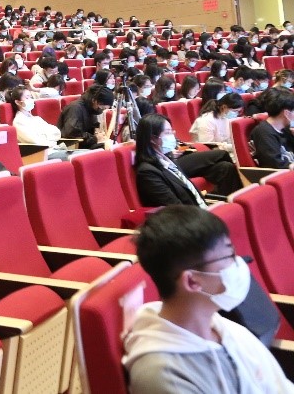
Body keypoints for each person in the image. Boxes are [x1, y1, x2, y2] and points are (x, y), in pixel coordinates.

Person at [124, 205, 293, 394]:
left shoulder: (224, 328)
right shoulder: (164, 376)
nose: (238, 265)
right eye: (229, 256)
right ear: (192, 281)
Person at [7, 85, 67, 159]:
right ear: (18, 102)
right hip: (42, 155)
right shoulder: (19, 122)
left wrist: (43, 136)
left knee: (80, 154)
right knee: (76, 156)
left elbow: (57, 133)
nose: (31, 100)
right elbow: (37, 142)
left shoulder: (37, 119)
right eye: (27, 98)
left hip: (54, 149)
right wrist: (47, 136)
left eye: (31, 97)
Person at [189, 92, 243, 161]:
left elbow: (228, 140)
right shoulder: (206, 120)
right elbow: (208, 146)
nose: (236, 114)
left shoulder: (225, 118)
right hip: (208, 156)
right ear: (224, 107)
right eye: (235, 111)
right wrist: (233, 147)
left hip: (222, 152)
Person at [58, 84, 115, 149]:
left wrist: (99, 136)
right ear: (94, 100)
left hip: (84, 144)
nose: (101, 110)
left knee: (111, 146)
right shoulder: (75, 108)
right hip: (71, 147)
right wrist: (95, 138)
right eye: (102, 108)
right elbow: (71, 134)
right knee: (106, 148)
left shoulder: (91, 109)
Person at [250, 88, 294, 168]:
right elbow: (275, 164)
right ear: (287, 113)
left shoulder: (285, 129)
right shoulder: (263, 132)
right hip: (282, 173)